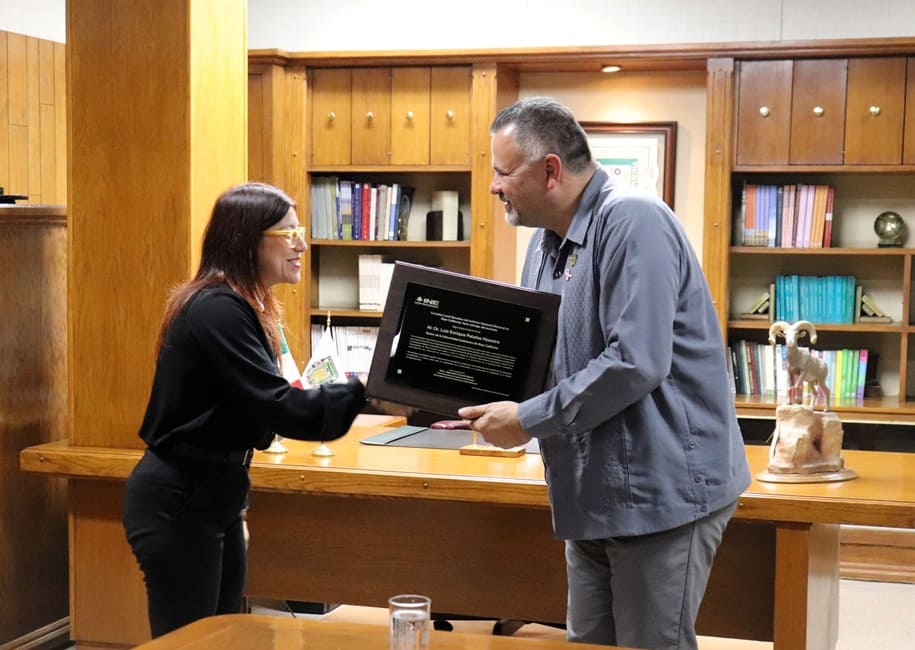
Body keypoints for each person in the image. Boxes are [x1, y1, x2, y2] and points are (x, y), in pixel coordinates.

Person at [457, 97, 751, 650]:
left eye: (502, 172)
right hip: (588, 490)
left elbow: (635, 361)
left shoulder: (633, 218)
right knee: (589, 642)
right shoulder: (545, 244)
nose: (494, 187)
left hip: (658, 491)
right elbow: (538, 355)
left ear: (550, 170)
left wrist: (527, 418)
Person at [123, 182, 365, 637]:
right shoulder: (218, 309)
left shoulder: (244, 306)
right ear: (246, 239)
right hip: (179, 503)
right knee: (189, 645)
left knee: (225, 638)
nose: (302, 244)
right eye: (288, 233)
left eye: (301, 231)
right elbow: (280, 406)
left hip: (214, 497)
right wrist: (362, 392)